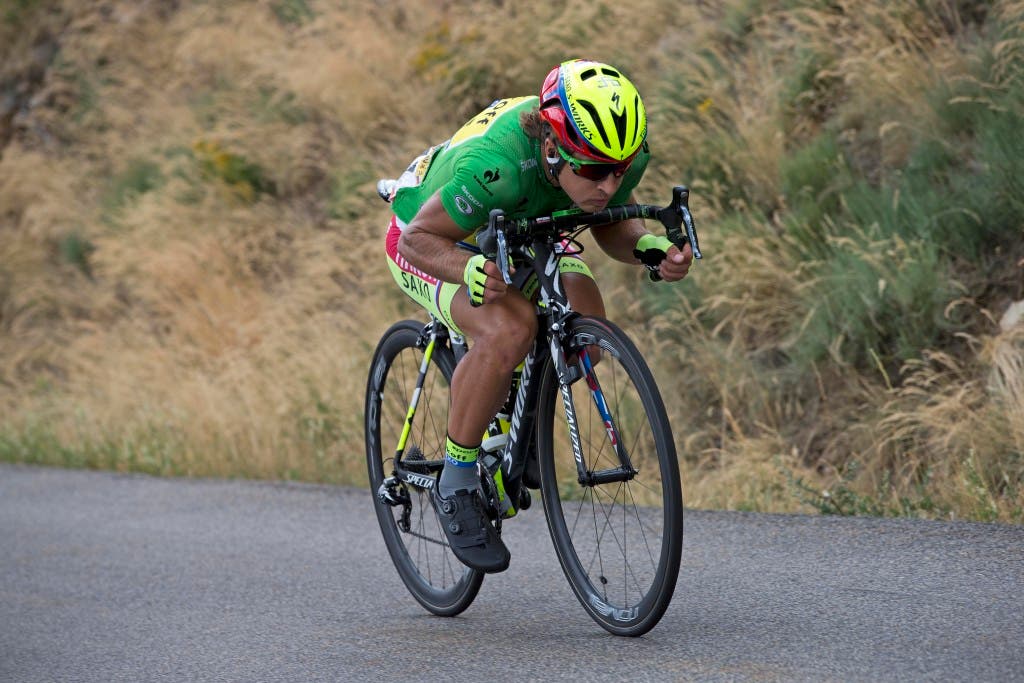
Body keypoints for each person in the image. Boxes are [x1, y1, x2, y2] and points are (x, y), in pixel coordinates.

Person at [381, 58, 693, 573]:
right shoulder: (497, 168)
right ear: (552, 145)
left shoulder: (614, 156)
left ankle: (516, 417)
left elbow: (610, 223)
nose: (608, 184)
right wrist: (468, 269)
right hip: (434, 239)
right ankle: (456, 482)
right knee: (509, 327)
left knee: (585, 318)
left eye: (618, 170)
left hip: (523, 227)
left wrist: (651, 248)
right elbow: (418, 239)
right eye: (592, 170)